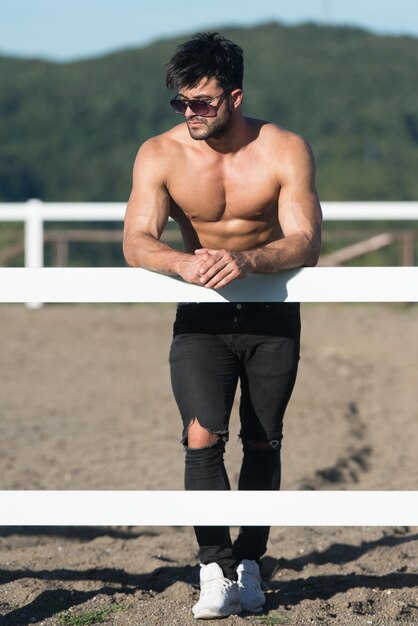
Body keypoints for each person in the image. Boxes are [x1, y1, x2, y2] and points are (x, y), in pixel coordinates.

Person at [123, 32, 322, 619]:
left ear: (235, 96)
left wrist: (249, 260)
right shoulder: (159, 154)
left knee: (263, 438)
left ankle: (251, 561)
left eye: (203, 102)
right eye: (182, 103)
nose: (191, 114)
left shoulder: (284, 148)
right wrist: (182, 262)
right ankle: (214, 566)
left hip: (271, 315)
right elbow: (136, 240)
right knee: (201, 434)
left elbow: (307, 240)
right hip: (202, 317)